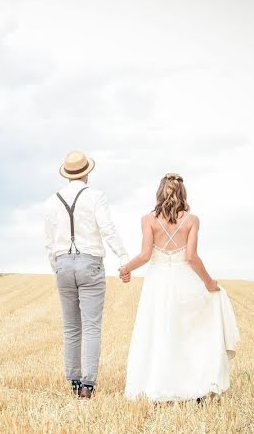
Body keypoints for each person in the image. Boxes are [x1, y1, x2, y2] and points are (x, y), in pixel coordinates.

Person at [119, 173, 239, 402]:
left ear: (160, 191)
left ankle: (158, 384)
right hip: (185, 281)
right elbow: (191, 257)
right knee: (189, 333)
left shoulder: (148, 220)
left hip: (158, 284)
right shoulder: (192, 220)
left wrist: (126, 268)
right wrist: (209, 283)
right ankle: (195, 386)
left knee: (158, 330)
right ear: (183, 193)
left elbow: (145, 255)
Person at [44, 151, 130, 399]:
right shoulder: (95, 197)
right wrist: (123, 258)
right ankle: (87, 386)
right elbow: (107, 229)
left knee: (71, 327)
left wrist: (57, 266)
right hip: (90, 262)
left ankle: (73, 380)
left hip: (62, 263)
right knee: (91, 327)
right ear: (87, 172)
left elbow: (49, 242)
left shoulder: (51, 201)